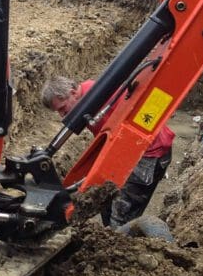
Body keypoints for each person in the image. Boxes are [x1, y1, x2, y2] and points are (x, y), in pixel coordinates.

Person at [41, 75, 175, 227]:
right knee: (106, 202)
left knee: (121, 215)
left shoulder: (100, 97)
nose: (62, 115)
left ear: (73, 93)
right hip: (127, 151)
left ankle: (122, 242)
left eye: (62, 108)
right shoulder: (90, 98)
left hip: (148, 153)